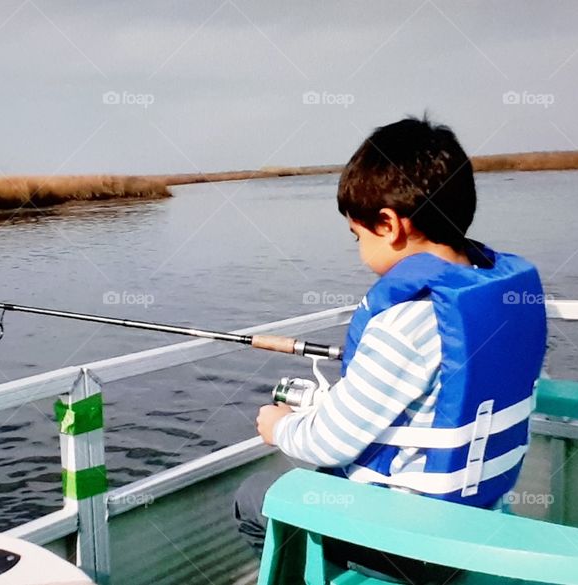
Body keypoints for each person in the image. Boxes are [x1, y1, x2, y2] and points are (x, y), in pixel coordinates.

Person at [234, 117, 548, 584]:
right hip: (480, 515)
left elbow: (329, 442)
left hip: (412, 544)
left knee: (255, 496)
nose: (359, 250)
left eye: (358, 236)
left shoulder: (404, 323)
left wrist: (281, 428)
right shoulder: (496, 295)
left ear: (389, 224)